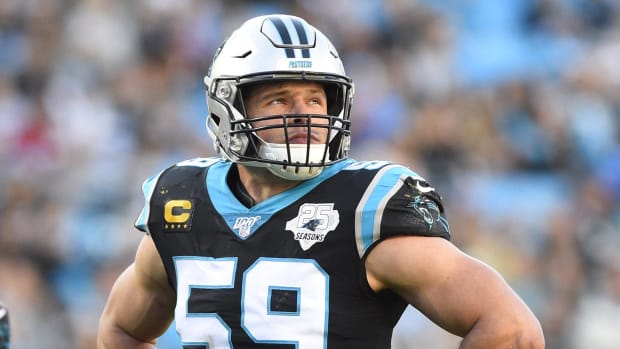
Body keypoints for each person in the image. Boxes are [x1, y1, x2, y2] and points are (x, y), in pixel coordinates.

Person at [97, 14, 545, 349]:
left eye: (316, 98)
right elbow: (121, 328)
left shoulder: (365, 206)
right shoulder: (183, 201)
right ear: (227, 108)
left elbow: (511, 329)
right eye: (278, 99)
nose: (306, 114)